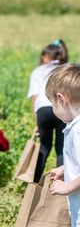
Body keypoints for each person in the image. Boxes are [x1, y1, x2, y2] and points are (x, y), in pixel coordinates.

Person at [45, 63, 80, 227]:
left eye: (52, 102)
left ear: (62, 99)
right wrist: (65, 169)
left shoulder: (77, 132)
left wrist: (67, 187)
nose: (52, 107)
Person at [27, 39, 68, 182]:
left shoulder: (38, 71)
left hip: (43, 110)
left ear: (45, 57)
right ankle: (62, 184)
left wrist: (36, 121)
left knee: (44, 147)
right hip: (61, 108)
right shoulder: (65, 69)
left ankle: (34, 183)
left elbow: (35, 97)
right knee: (61, 148)